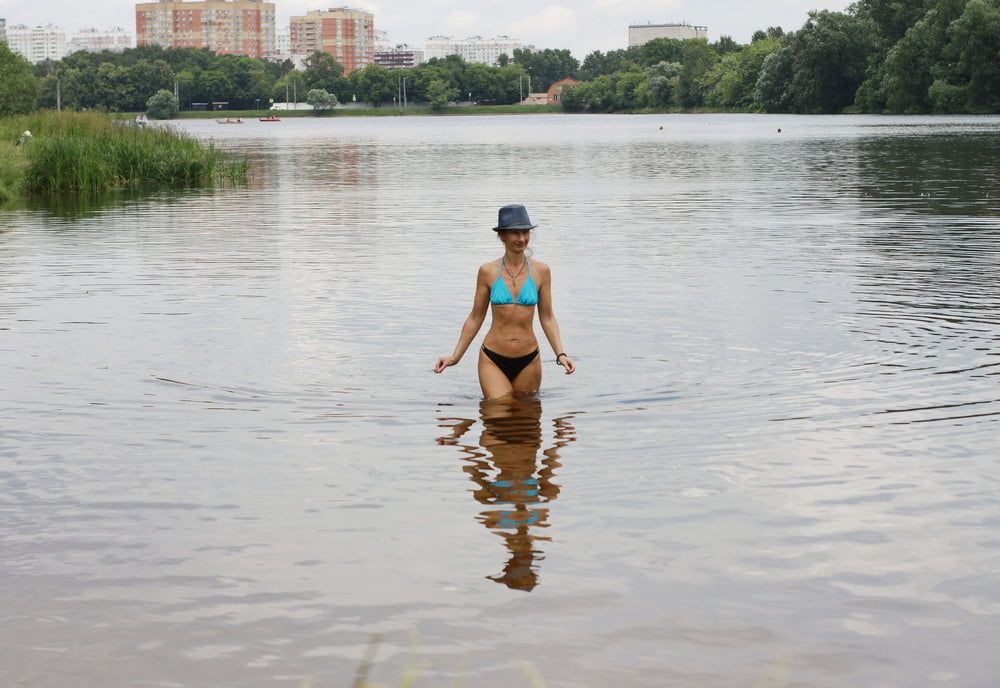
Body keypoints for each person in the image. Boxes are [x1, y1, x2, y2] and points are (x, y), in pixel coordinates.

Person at [435, 204, 575, 398]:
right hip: (493, 358)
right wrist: (455, 356)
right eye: (515, 233)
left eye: (525, 232)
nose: (522, 238)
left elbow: (548, 317)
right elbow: (475, 317)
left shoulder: (542, 271)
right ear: (502, 235)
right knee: (498, 411)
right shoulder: (488, 272)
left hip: (529, 359)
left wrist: (561, 354)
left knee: (527, 420)